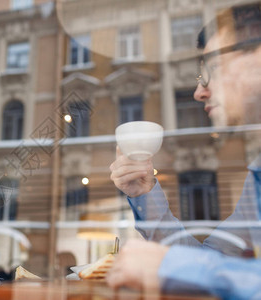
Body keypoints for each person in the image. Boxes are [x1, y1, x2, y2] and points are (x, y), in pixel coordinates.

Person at [107, 4, 261, 299]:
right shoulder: (257, 181)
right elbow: (212, 259)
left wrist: (175, 267)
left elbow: (202, 268)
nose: (199, 92)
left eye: (213, 70)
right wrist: (143, 192)